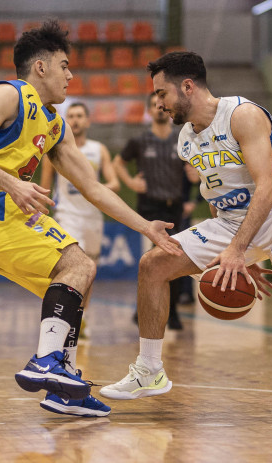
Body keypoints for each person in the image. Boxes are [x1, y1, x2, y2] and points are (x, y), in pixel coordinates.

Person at [100, 51, 272, 408]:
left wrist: (239, 249)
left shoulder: (244, 116)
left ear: (188, 87)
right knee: (152, 265)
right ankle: (149, 370)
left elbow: (268, 187)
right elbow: (217, 194)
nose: (159, 103)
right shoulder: (186, 140)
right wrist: (248, 253)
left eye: (162, 93)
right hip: (231, 221)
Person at [0, 21, 181, 417]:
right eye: (64, 66)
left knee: (81, 274)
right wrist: (12, 185)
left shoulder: (54, 124)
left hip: (3, 212)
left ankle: (62, 385)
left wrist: (145, 226)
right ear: (40, 68)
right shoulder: (7, 95)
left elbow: (94, 187)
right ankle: (45, 362)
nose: (71, 75)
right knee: (77, 264)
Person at [114, 92, 197, 330]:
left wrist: (194, 175)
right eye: (154, 106)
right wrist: (130, 182)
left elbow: (194, 168)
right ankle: (145, 308)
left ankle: (172, 313)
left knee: (179, 259)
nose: (159, 109)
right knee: (153, 260)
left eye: (162, 105)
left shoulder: (180, 140)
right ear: (149, 111)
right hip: (150, 208)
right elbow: (118, 163)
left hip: (176, 207)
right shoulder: (139, 141)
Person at [39, 102, 119, 342]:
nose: (75, 120)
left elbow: (114, 183)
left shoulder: (99, 149)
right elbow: (44, 187)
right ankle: (60, 320)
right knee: (72, 266)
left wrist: (94, 189)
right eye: (70, 116)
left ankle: (80, 319)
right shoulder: (55, 150)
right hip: (66, 216)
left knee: (89, 272)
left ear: (87, 121)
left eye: (79, 116)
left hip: (92, 218)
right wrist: (41, 213)